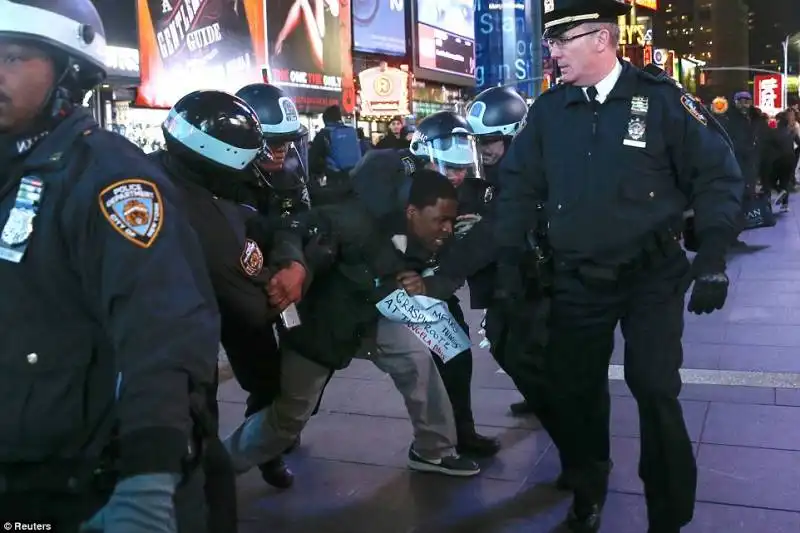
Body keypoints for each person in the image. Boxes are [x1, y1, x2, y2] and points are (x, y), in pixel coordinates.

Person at [493, 1, 743, 532]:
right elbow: (516, 187)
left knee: (654, 388)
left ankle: (668, 513)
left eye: (563, 42)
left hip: (651, 276)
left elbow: (717, 177)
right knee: (574, 391)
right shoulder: (548, 112)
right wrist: (510, 259)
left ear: (601, 40)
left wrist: (714, 256)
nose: (553, 52)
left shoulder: (663, 101)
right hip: (578, 279)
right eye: (551, 42)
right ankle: (588, 494)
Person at [0, 1, 219, 531]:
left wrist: (146, 487)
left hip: (80, 490)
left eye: (12, 57)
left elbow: (162, 333)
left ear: (69, 74)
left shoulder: (110, 180)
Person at [224, 169, 482, 478]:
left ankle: (434, 451)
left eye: (451, 221)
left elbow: (446, 271)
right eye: (440, 220)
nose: (447, 229)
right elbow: (293, 228)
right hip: (322, 325)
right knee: (289, 419)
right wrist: (293, 265)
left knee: (416, 359)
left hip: (373, 314)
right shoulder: (356, 219)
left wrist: (426, 284)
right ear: (412, 212)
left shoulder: (429, 237)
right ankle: (219, 465)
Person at [352, 111, 501, 457]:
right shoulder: (382, 173)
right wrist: (392, 270)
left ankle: (457, 434)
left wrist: (436, 282)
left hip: (424, 281)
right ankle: (278, 437)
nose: (457, 175)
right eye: (448, 167)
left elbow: (468, 253)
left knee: (456, 353)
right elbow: (356, 228)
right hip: (367, 283)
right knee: (318, 363)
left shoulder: (471, 191)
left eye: (463, 168)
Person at [233, 82, 318, 488]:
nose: (281, 151)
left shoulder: (287, 174)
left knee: (274, 375)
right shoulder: (219, 176)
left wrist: (292, 261)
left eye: (286, 141)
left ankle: (267, 448)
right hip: (216, 289)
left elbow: (296, 220)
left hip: (269, 287)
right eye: (272, 142)